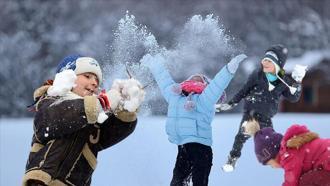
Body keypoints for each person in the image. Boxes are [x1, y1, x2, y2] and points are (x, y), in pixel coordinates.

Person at [22, 54, 143, 186]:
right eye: (87, 76)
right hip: (43, 182)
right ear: (67, 76)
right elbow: (61, 117)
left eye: (97, 79)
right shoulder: (49, 102)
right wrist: (103, 103)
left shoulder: (92, 118)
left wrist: (126, 108)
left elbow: (112, 132)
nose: (94, 82)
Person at [140, 52, 247, 186]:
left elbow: (217, 85)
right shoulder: (175, 97)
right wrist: (153, 64)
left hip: (201, 150)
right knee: (177, 183)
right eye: (193, 78)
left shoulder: (205, 99)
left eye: (200, 79)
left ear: (205, 85)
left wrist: (229, 69)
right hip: (183, 148)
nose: (196, 79)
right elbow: (164, 80)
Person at [218, 44, 306, 172]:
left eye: (269, 61)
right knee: (240, 137)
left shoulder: (284, 81)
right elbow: (244, 90)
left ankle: (286, 157)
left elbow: (293, 97)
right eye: (264, 59)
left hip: (266, 116)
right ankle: (232, 159)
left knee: (270, 141)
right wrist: (231, 103)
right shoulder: (257, 75)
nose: (264, 62)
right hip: (251, 113)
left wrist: (297, 82)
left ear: (277, 64)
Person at [243, 119, 330, 186]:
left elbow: (291, 181)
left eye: (270, 164)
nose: (273, 167)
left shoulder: (288, 155)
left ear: (273, 155)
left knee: (306, 181)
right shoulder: (294, 149)